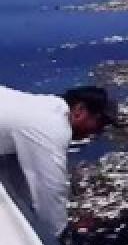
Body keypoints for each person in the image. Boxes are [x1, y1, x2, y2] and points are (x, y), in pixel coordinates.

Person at [0, 86, 117, 236]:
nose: (98, 131)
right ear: (79, 110)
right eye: (100, 123)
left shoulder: (45, 106)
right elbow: (51, 189)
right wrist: (59, 234)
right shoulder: (53, 127)